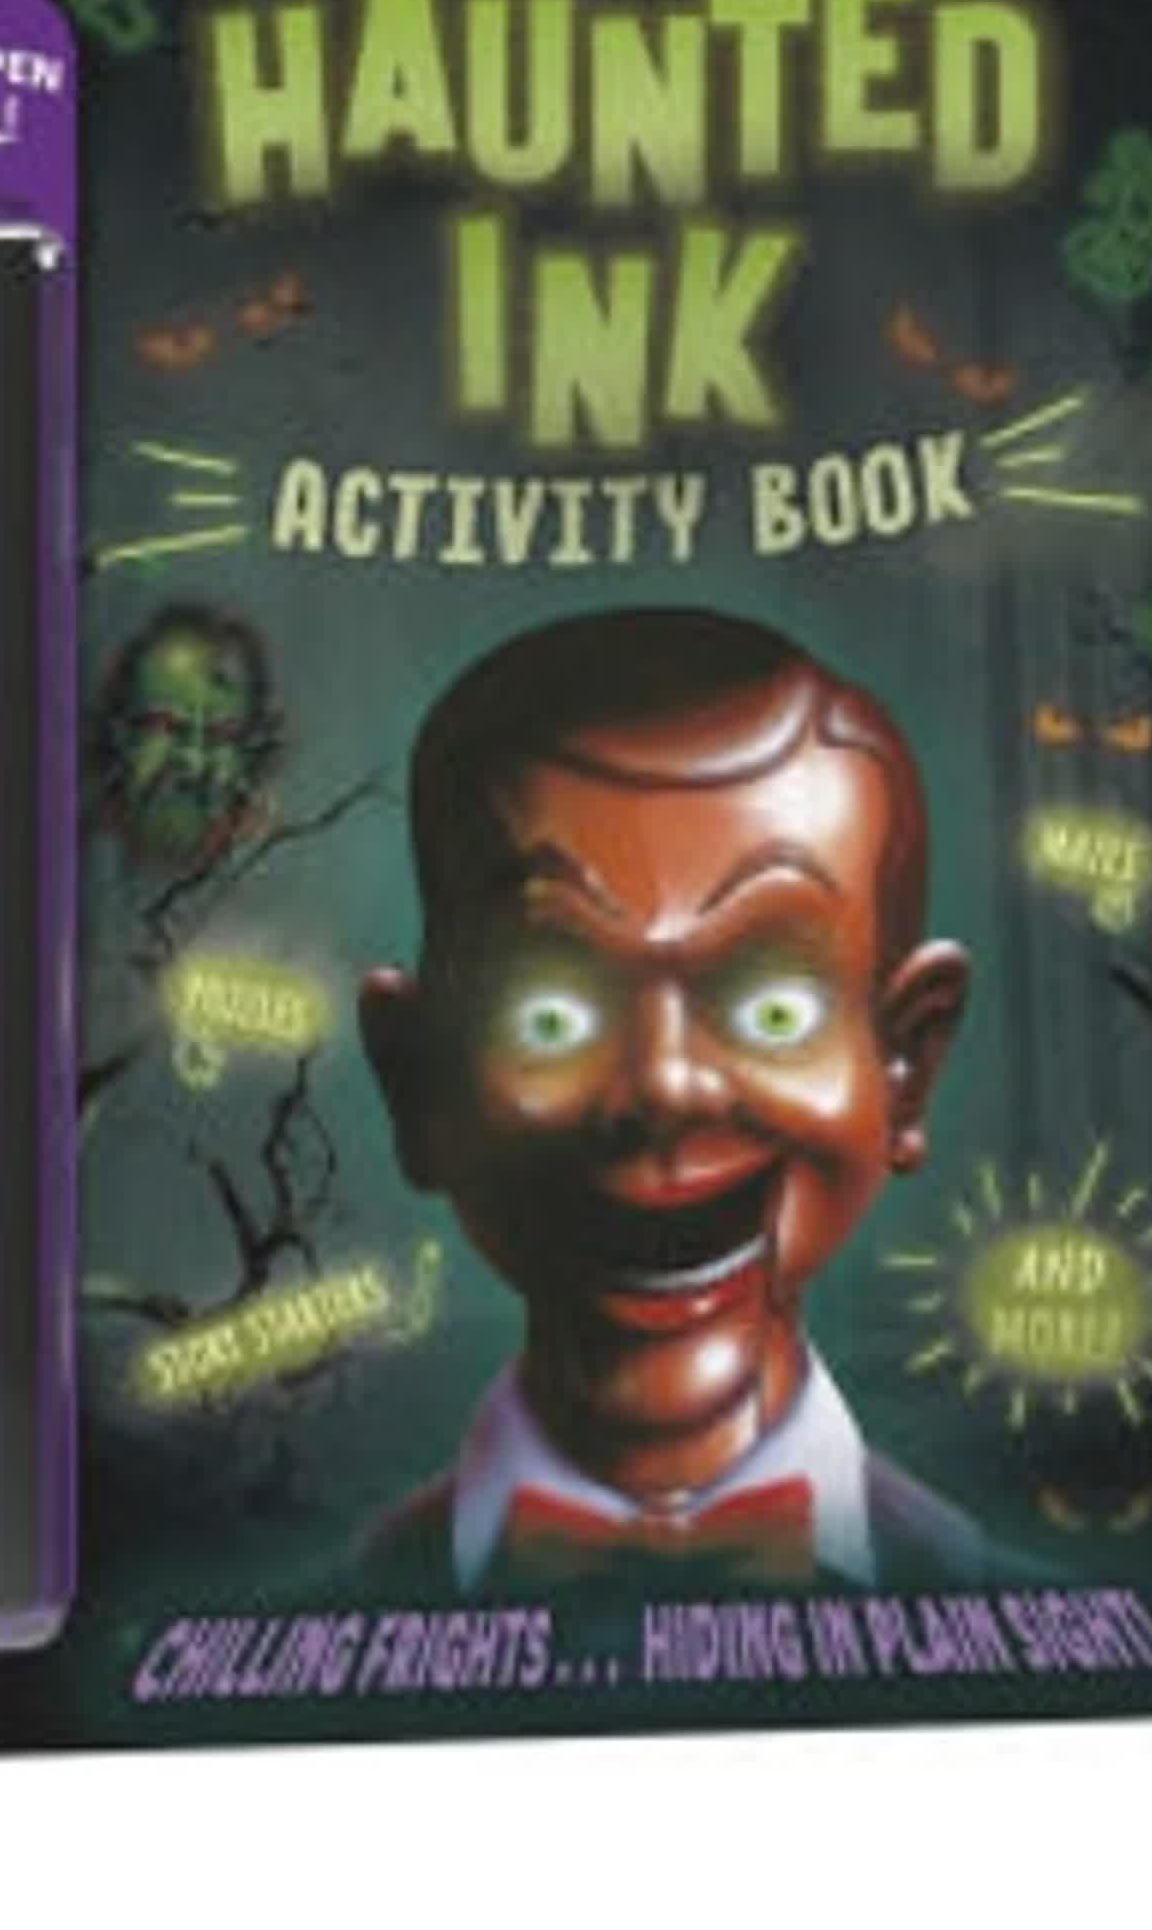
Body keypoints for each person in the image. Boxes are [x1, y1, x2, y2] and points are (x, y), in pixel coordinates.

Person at [358, 608, 1012, 1593]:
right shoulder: (309, 1626)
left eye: (776, 1009)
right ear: (417, 1082)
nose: (665, 1086)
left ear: (906, 1065)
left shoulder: (1010, 1607)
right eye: (550, 1015)